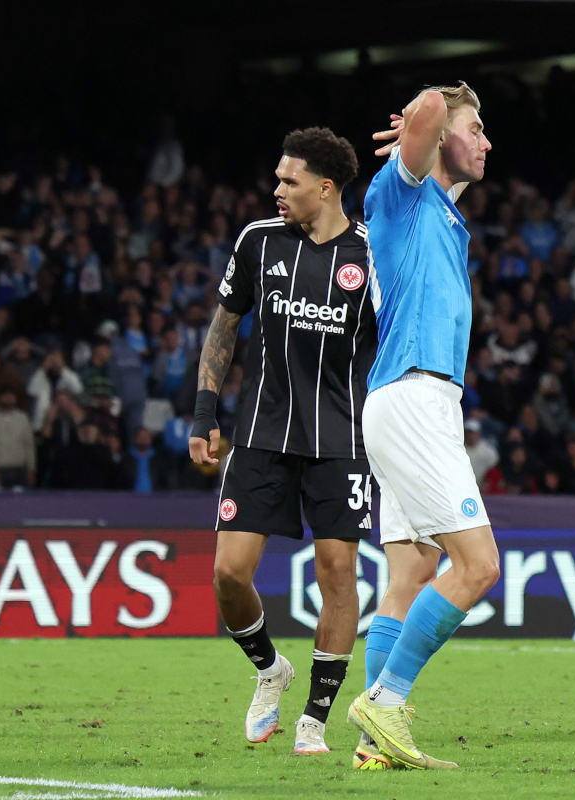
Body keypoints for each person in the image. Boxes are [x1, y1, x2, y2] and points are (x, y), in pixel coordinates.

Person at [187, 128, 376, 756]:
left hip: (340, 440)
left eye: (289, 181)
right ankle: (270, 669)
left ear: (324, 188)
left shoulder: (372, 257)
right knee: (228, 575)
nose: (277, 190)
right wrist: (204, 413)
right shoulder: (258, 241)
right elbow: (224, 326)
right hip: (261, 436)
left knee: (338, 573)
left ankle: (314, 720)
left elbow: (392, 348)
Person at [348, 82, 496, 771]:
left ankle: (371, 741)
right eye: (478, 128)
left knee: (411, 572)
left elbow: (437, 117)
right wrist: (428, 117)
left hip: (404, 402)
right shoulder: (400, 196)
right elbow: (434, 101)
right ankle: (387, 700)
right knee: (479, 565)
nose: (487, 142)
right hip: (414, 399)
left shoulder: (440, 213)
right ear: (441, 140)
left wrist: (435, 125)